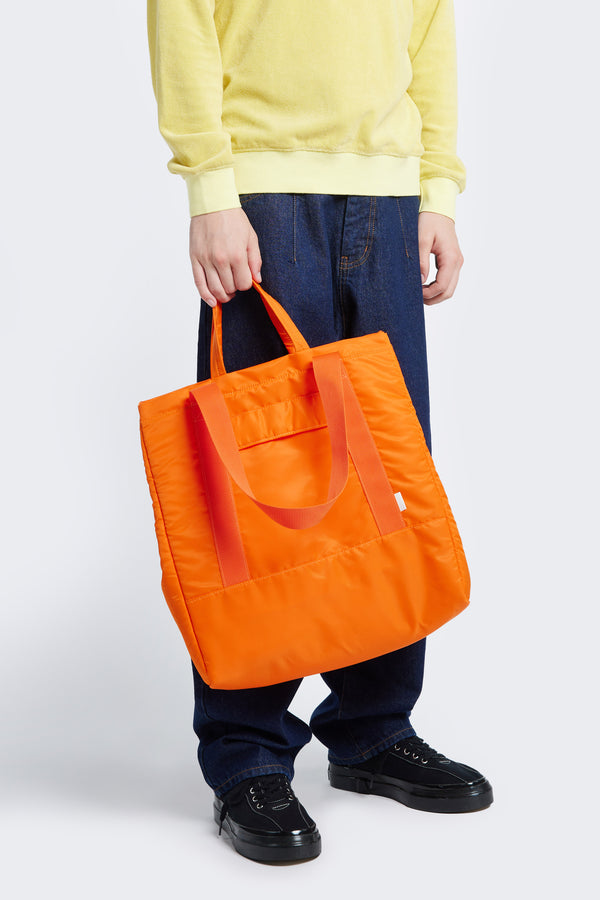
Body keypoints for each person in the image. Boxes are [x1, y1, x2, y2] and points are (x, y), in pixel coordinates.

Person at [146, 0, 493, 863]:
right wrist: (211, 188)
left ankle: (374, 728)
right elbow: (182, 19)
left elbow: (429, 30)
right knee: (263, 487)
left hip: (388, 197)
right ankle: (246, 753)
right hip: (262, 194)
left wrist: (437, 189)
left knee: (384, 481)